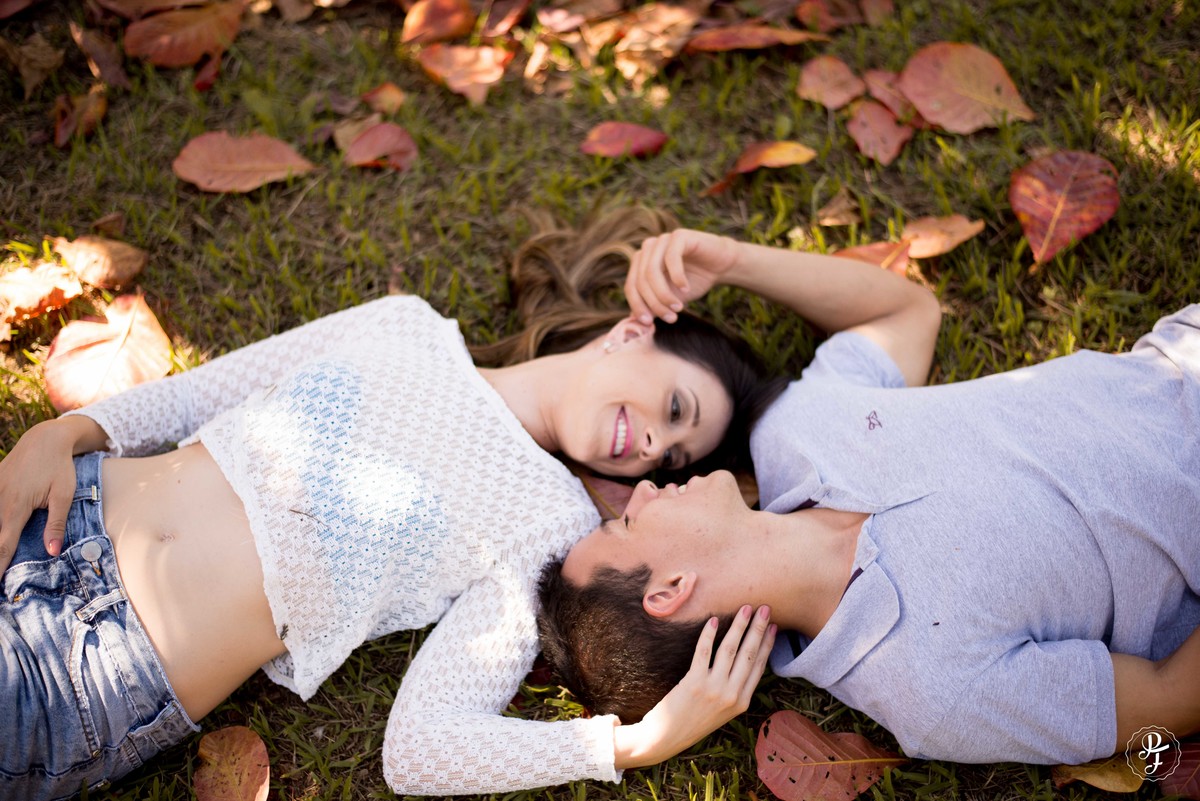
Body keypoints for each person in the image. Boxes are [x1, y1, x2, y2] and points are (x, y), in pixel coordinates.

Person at [0, 206, 789, 801]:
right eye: (675, 408)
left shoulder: (551, 527)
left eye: (676, 455)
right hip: (67, 505)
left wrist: (631, 745)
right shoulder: (406, 327)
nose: (653, 444)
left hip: (90, 670)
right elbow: (205, 391)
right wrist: (68, 431)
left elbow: (416, 746)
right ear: (634, 331)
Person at [536, 225, 1200, 767]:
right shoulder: (931, 689)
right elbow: (1167, 698)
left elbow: (906, 310)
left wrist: (733, 259)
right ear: (670, 588)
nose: (645, 488)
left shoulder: (792, 432)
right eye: (626, 525)